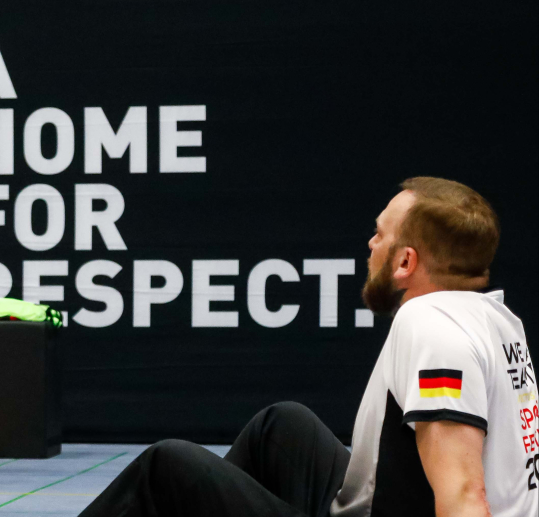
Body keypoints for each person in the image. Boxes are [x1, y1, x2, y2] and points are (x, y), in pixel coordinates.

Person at [77, 177, 538, 517]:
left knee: (168, 466)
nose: (370, 243)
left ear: (404, 262)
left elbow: (463, 497)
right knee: (280, 426)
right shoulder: (496, 319)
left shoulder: (433, 328)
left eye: (381, 234)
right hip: (380, 503)